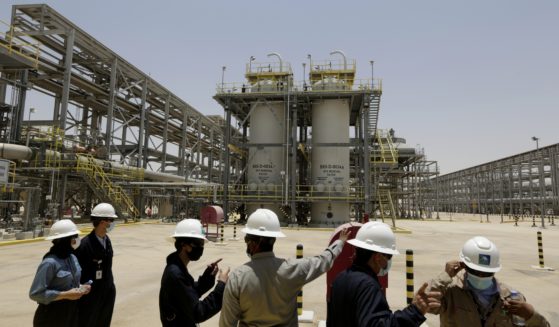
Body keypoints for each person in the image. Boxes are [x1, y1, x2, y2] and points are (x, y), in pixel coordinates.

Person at [219, 208, 350, 327]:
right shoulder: (293, 268)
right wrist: (340, 242)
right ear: (274, 239)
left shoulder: (238, 278)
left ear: (253, 243)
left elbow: (227, 323)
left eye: (247, 240)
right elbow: (323, 261)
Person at [327, 221, 441, 327]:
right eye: (388, 256)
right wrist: (415, 311)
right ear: (377, 257)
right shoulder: (368, 286)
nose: (388, 261)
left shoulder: (341, 277)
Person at [429, 236, 550, 327]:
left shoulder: (510, 297)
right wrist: (444, 276)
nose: (481, 276)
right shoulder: (451, 293)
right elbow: (424, 305)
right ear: (463, 266)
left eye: (487, 273)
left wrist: (531, 315)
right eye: (476, 271)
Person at [159, 218, 229, 326]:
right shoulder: (175, 274)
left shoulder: (177, 268)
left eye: (202, 244)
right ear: (184, 245)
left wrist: (208, 276)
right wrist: (221, 285)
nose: (201, 248)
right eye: (198, 244)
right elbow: (199, 312)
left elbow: (189, 293)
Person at [29, 219, 91, 326]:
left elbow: (69, 284)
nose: (77, 240)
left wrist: (81, 287)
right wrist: (65, 295)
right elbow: (35, 294)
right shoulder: (49, 263)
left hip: (71, 313)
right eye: (74, 237)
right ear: (65, 240)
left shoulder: (72, 258)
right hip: (51, 316)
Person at [74, 203, 117, 327]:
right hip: (91, 294)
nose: (113, 224)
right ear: (103, 222)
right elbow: (78, 273)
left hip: (107, 290)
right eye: (111, 220)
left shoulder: (107, 240)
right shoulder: (84, 245)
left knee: (104, 321)